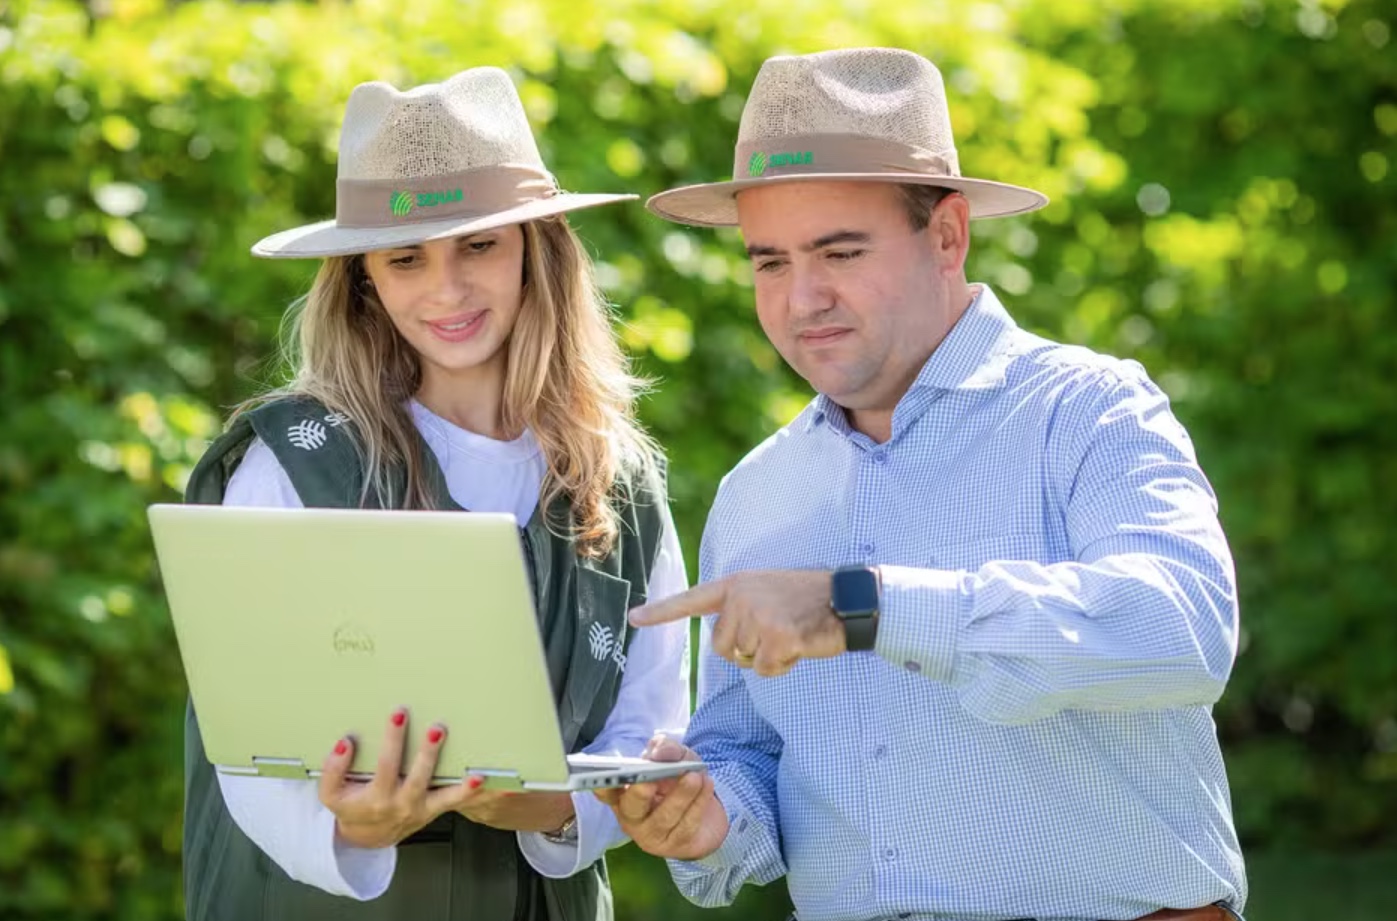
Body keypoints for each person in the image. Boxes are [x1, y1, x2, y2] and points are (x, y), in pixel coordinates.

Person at [598, 47, 1247, 921]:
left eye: (838, 251)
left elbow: (1182, 627)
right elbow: (745, 758)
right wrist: (705, 814)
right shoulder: (756, 493)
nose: (800, 299)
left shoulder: (1089, 409)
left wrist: (862, 604)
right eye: (770, 262)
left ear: (946, 234)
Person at [178, 67, 689, 921]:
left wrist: (560, 807)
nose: (445, 289)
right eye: (406, 258)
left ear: (536, 249)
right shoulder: (294, 462)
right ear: (365, 282)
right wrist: (353, 825)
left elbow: (651, 727)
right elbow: (240, 735)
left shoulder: (619, 476)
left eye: (479, 245)